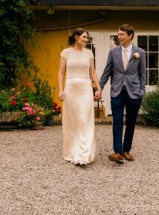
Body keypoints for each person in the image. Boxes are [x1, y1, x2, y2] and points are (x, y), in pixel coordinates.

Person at [99, 24, 146, 164]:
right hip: (117, 92)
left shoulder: (140, 52)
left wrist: (141, 91)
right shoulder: (113, 52)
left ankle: (126, 150)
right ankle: (118, 152)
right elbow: (107, 72)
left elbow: (143, 74)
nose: (119, 37)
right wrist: (99, 88)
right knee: (117, 122)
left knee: (131, 123)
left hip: (134, 93)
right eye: (118, 34)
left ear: (130, 36)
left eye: (122, 34)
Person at [58, 28, 102, 166]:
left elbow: (93, 73)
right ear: (76, 37)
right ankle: (72, 152)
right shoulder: (66, 53)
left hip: (85, 89)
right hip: (70, 89)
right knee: (72, 121)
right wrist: (60, 90)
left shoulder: (89, 53)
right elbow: (60, 73)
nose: (86, 39)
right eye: (84, 37)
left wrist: (98, 88)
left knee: (85, 120)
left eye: (87, 37)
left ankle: (84, 155)